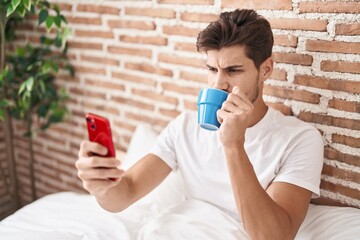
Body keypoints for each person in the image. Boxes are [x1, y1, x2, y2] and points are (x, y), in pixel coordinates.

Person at [75, 9, 324, 239]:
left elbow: (273, 236)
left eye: (233, 70)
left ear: (266, 69)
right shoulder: (185, 126)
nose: (218, 83)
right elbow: (125, 194)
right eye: (212, 69)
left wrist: (233, 145)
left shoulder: (299, 139)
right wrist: (100, 186)